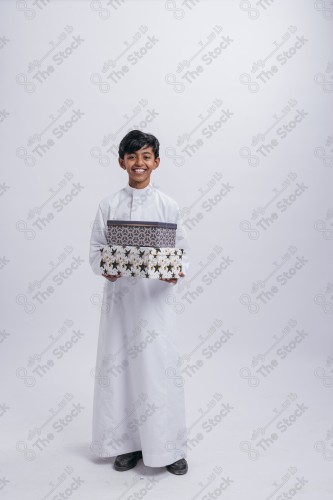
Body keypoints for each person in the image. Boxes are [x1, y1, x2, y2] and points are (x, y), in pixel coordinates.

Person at [89, 130, 191, 475]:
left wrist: (176, 272)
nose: (139, 163)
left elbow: (184, 252)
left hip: (155, 304)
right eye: (132, 157)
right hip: (120, 304)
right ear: (122, 162)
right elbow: (95, 250)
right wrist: (106, 269)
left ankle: (169, 447)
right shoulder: (109, 205)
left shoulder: (169, 206)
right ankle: (126, 444)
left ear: (156, 162)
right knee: (121, 371)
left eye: (146, 156)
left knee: (159, 371)